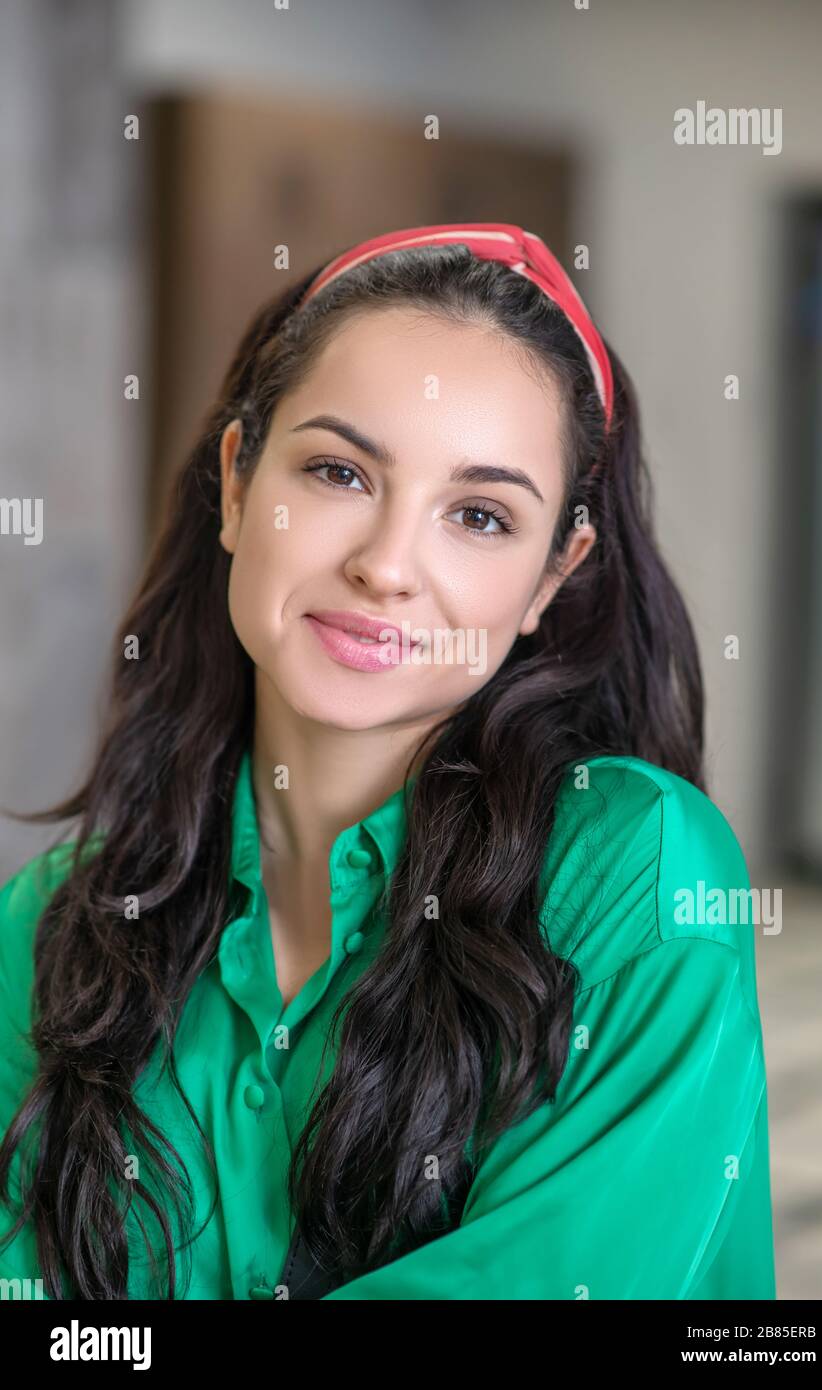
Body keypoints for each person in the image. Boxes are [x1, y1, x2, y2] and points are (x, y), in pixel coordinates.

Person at [0, 223, 775, 1301]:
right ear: (236, 483)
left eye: (478, 515)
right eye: (337, 471)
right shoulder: (49, 925)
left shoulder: (645, 873)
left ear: (555, 575)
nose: (384, 566)